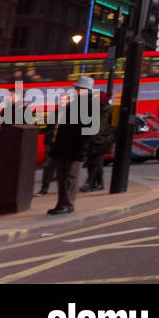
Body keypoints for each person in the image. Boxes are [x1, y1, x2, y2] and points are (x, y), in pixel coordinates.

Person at [47, 77, 95, 215]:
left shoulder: (89, 105)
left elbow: (87, 131)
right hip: (64, 147)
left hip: (74, 148)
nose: (76, 90)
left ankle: (67, 204)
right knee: (62, 177)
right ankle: (61, 203)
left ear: (86, 90)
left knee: (70, 177)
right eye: (76, 88)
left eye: (79, 88)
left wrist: (82, 150)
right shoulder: (76, 103)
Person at [81, 95, 113, 193]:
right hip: (93, 140)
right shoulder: (96, 110)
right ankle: (99, 184)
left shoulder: (110, 111)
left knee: (96, 162)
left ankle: (90, 183)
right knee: (92, 163)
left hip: (102, 140)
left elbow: (114, 127)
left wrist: (107, 137)